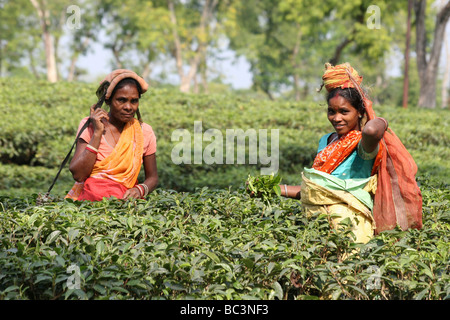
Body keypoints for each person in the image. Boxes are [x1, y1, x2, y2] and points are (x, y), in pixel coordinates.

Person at [280, 63, 422, 243]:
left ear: (360, 111)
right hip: (318, 227)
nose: (336, 118)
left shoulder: (363, 145)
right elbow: (318, 190)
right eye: (331, 111)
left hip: (350, 230)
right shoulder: (326, 141)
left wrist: (379, 119)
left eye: (344, 111)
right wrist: (278, 189)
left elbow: (371, 131)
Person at [65, 69, 158, 201]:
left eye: (134, 101)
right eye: (121, 100)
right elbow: (78, 174)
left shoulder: (145, 132)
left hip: (125, 203)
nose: (128, 107)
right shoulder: (89, 125)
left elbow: (153, 178)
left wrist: (140, 189)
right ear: (108, 101)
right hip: (89, 203)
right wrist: (97, 133)